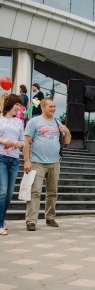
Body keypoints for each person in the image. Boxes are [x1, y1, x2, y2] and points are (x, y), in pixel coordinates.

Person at [23, 98, 71, 231]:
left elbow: (66, 141)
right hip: (37, 162)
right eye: (50, 106)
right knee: (35, 192)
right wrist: (27, 161)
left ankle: (50, 217)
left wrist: (67, 131)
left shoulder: (57, 122)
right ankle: (31, 221)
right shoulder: (34, 121)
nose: (53, 109)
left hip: (55, 162)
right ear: (43, 107)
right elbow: (26, 143)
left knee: (52, 192)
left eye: (54, 106)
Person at [0, 94, 25, 235]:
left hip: (14, 159)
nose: (18, 108)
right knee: (2, 192)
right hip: (1, 157)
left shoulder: (19, 122)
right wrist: (4, 141)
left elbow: (23, 141)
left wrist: (18, 144)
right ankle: (0, 223)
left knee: (9, 194)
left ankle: (1, 219)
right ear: (10, 104)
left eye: (19, 106)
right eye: (17, 105)